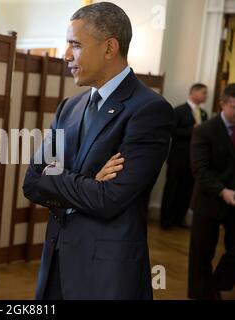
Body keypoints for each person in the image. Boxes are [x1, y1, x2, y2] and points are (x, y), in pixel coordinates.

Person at [23, 2, 173, 300]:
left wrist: (61, 179)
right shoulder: (70, 107)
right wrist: (89, 181)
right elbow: (32, 181)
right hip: (54, 267)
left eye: (75, 45)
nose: (66, 55)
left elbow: (111, 198)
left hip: (106, 278)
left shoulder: (149, 110)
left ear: (109, 47)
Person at [188, 83, 235, 300]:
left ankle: (217, 283)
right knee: (201, 252)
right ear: (222, 104)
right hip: (208, 199)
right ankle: (202, 292)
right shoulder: (205, 130)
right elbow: (199, 169)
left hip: (234, 200)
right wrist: (222, 191)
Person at [160, 83, 209, 229]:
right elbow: (172, 132)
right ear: (193, 92)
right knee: (172, 189)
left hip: (194, 160)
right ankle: (166, 221)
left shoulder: (204, 114)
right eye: (203, 93)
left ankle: (179, 219)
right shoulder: (179, 110)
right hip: (178, 158)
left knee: (187, 190)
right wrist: (192, 130)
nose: (206, 96)